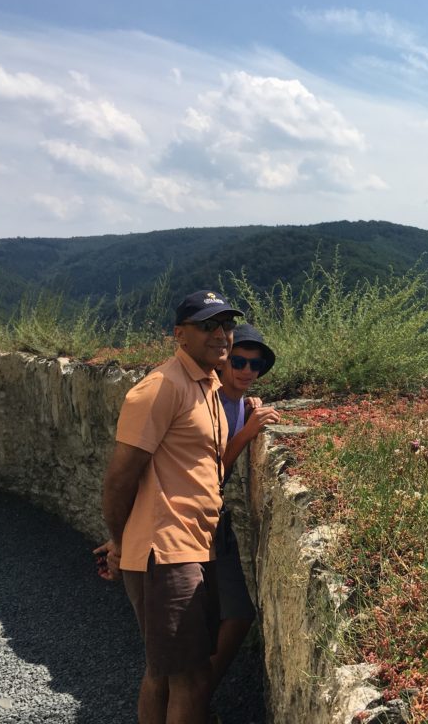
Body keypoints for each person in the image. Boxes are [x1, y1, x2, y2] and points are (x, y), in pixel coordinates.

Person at [100, 289, 242, 724]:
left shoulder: (207, 386)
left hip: (195, 547)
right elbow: (120, 476)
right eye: (207, 326)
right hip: (166, 552)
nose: (220, 335)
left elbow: (204, 466)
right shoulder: (160, 388)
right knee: (191, 680)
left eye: (226, 326)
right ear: (180, 334)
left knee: (165, 674)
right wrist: (121, 543)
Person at [210, 323, 281, 694]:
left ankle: (195, 700)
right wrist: (247, 433)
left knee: (231, 615)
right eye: (238, 361)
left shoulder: (237, 401)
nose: (247, 371)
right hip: (197, 523)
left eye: (255, 365)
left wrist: (249, 414)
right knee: (233, 615)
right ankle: (194, 700)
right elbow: (206, 472)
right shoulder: (209, 401)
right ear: (223, 361)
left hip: (214, 523)